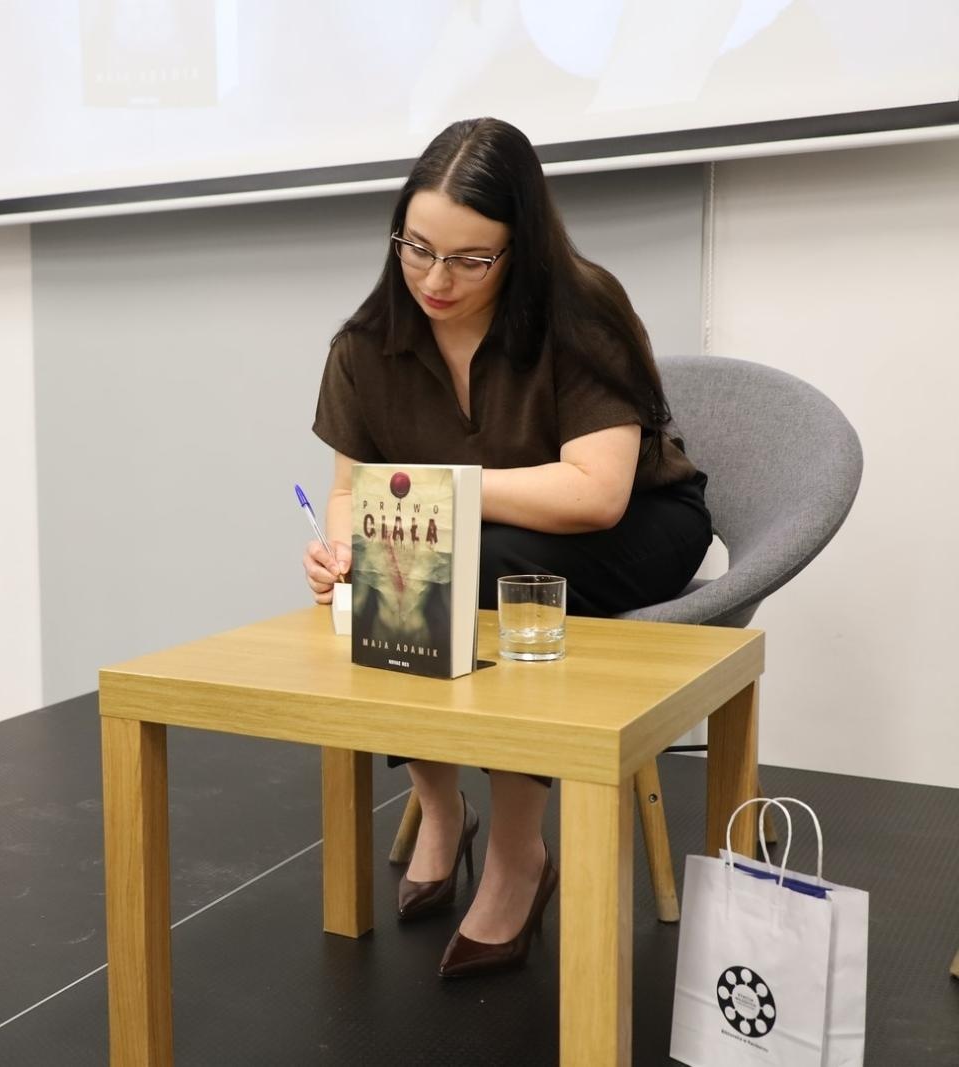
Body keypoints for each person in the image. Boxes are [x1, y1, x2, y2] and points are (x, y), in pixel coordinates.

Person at [303, 117, 712, 979]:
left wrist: (440, 496)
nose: (435, 279)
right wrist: (345, 549)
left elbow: (597, 491)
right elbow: (347, 492)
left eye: (469, 259)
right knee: (396, 569)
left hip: (637, 526)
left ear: (519, 249)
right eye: (417, 249)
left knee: (481, 567)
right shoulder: (367, 344)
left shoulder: (582, 309)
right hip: (488, 541)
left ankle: (521, 851)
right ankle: (441, 806)